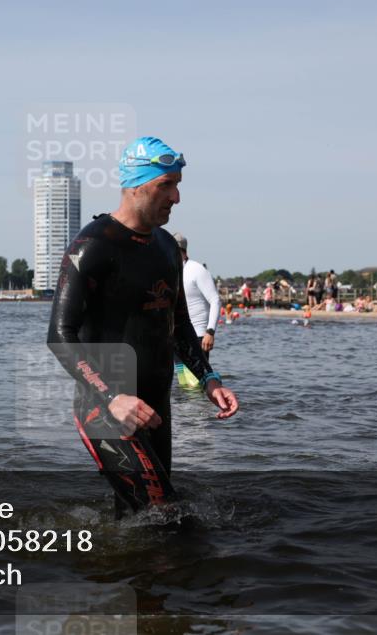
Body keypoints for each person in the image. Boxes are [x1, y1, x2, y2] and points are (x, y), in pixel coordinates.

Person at [47, 136, 239, 516]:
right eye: (165, 185)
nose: (176, 197)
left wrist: (209, 379)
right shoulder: (92, 245)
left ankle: (116, 569)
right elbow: (60, 336)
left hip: (156, 404)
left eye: (177, 185)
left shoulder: (167, 246)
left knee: (145, 516)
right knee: (164, 517)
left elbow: (180, 325)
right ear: (135, 185)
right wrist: (112, 398)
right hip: (105, 407)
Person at [172, 233, 221, 354]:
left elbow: (216, 300)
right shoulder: (172, 270)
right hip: (176, 337)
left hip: (197, 336)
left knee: (196, 374)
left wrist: (210, 332)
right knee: (182, 374)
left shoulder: (197, 270)